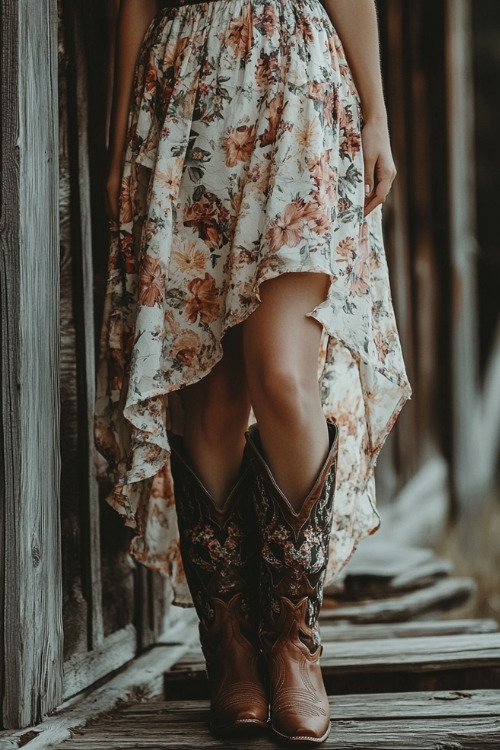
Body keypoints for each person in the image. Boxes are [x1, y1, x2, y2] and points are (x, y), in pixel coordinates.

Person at [95, 0, 411, 743]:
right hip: (186, 90)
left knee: (282, 379)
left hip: (299, 79)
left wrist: (376, 114)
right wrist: (118, 145)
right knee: (210, 395)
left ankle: (292, 645)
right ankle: (232, 649)